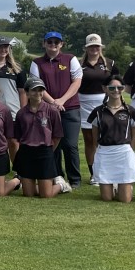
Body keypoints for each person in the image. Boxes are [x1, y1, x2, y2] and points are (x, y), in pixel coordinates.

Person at [29, 31, 83, 188]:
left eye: (56, 42)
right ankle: (57, 175)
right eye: (50, 42)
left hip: (70, 108)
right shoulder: (37, 63)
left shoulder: (70, 59)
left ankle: (75, 180)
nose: (53, 45)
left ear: (61, 44)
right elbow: (37, 85)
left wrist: (62, 100)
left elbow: (77, 81)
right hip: (47, 108)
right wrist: (53, 102)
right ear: (44, 44)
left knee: (70, 145)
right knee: (53, 144)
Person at [87, 76, 135, 203]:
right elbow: (94, 136)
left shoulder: (131, 111)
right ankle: (114, 188)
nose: (116, 90)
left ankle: (124, 188)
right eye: (111, 87)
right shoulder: (98, 112)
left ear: (123, 89)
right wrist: (99, 151)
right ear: (105, 89)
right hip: (105, 153)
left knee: (125, 200)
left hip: (124, 153)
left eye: (120, 87)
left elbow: (134, 135)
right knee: (107, 198)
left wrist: (129, 151)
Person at [13, 76, 66, 198]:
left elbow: (57, 136)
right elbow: (19, 136)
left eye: (40, 90)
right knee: (28, 194)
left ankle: (61, 185)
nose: (38, 93)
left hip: (45, 151)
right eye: (34, 90)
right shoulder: (21, 113)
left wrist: (48, 150)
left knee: (46, 195)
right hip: (26, 152)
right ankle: (40, 186)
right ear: (27, 92)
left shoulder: (52, 110)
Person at [77, 34, 119, 183]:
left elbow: (117, 83)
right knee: (90, 140)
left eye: (97, 46)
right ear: (86, 48)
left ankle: (109, 172)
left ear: (101, 47)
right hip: (83, 103)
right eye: (91, 46)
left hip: (104, 102)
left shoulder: (110, 63)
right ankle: (94, 174)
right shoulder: (78, 63)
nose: (94, 49)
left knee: (106, 139)